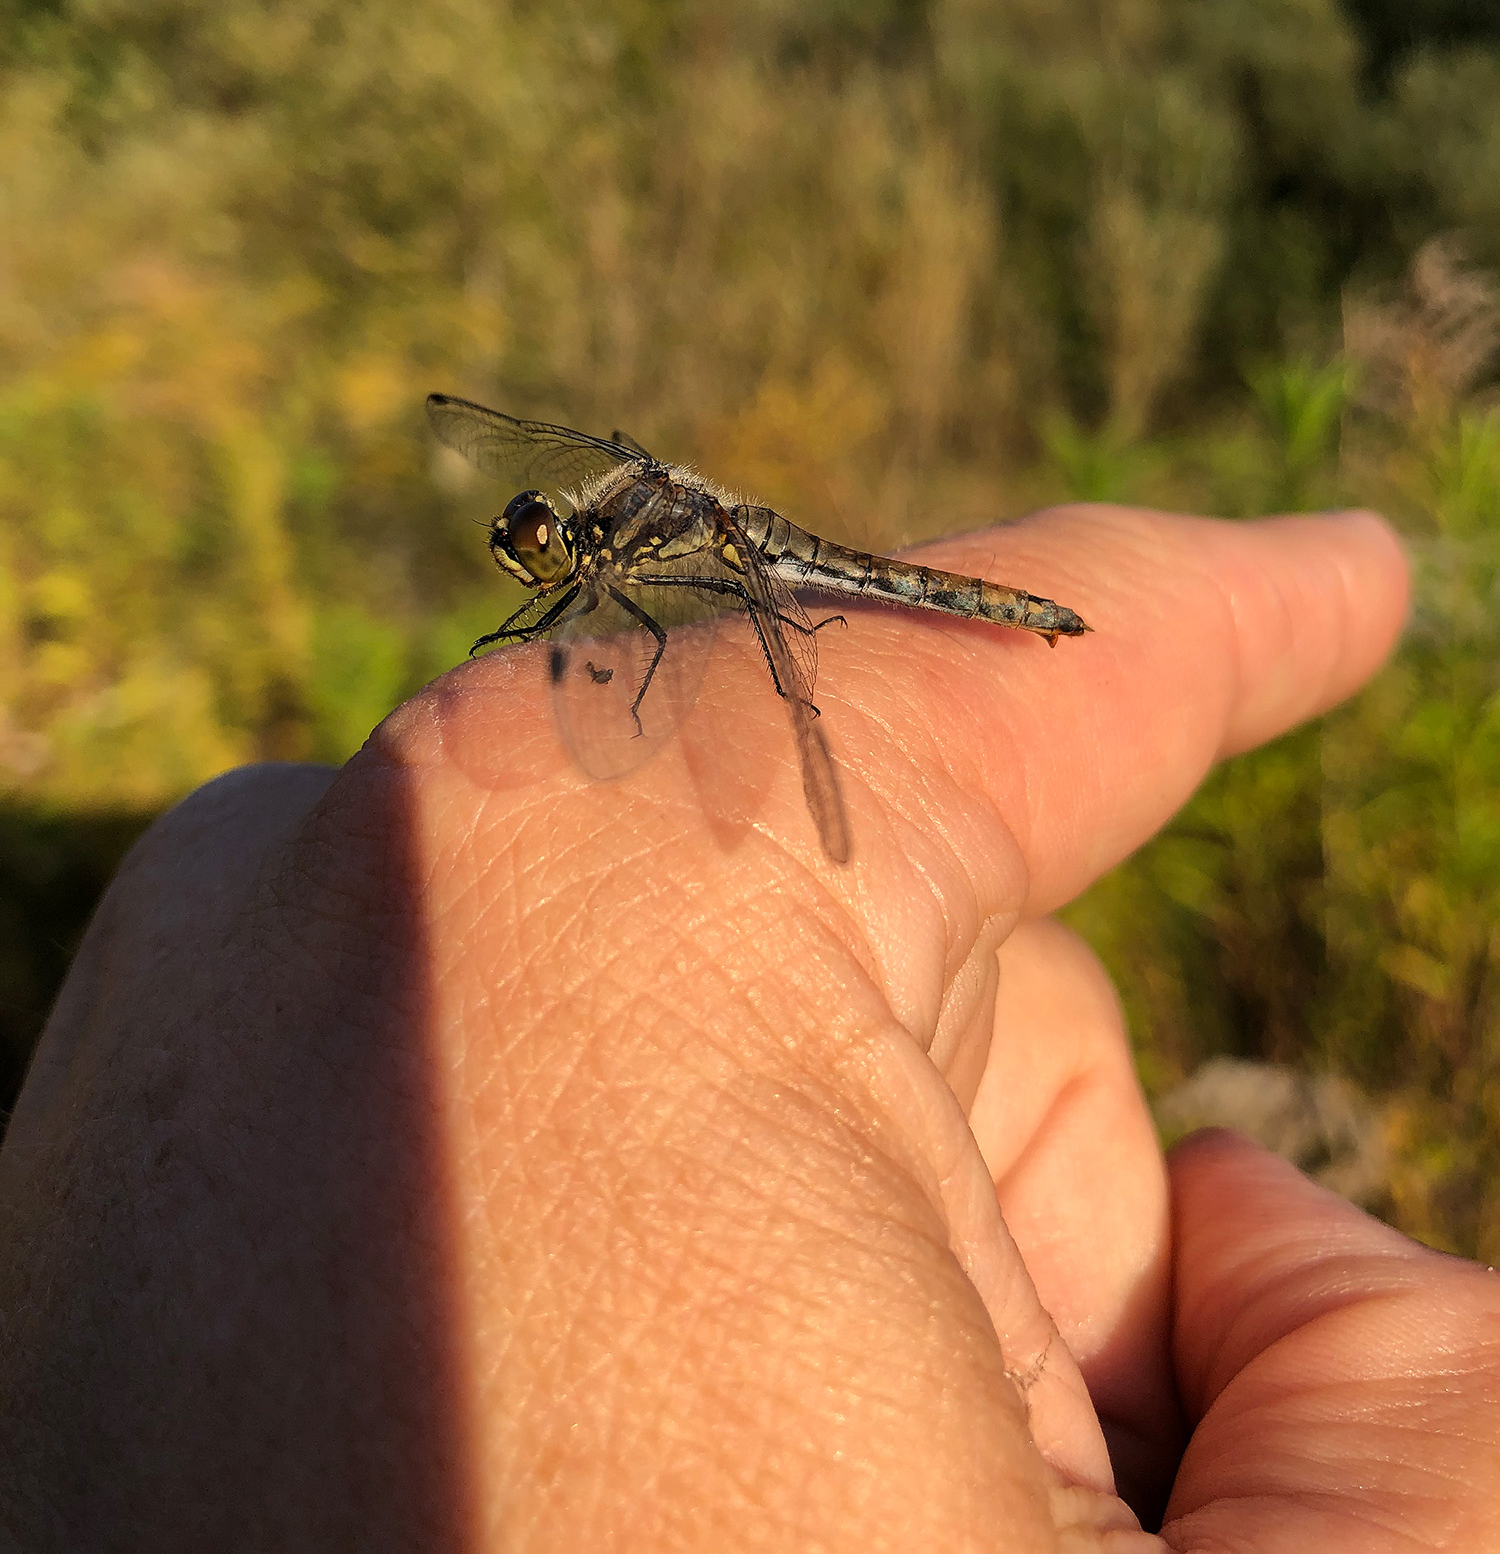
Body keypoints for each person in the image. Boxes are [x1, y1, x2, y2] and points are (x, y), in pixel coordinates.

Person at [1, 504, 1495, 1551]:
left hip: (840, 581)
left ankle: (1026, 613)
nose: (538, 554)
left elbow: (623, 670)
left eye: (546, 545)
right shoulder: (610, 537)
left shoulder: (653, 570)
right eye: (538, 542)